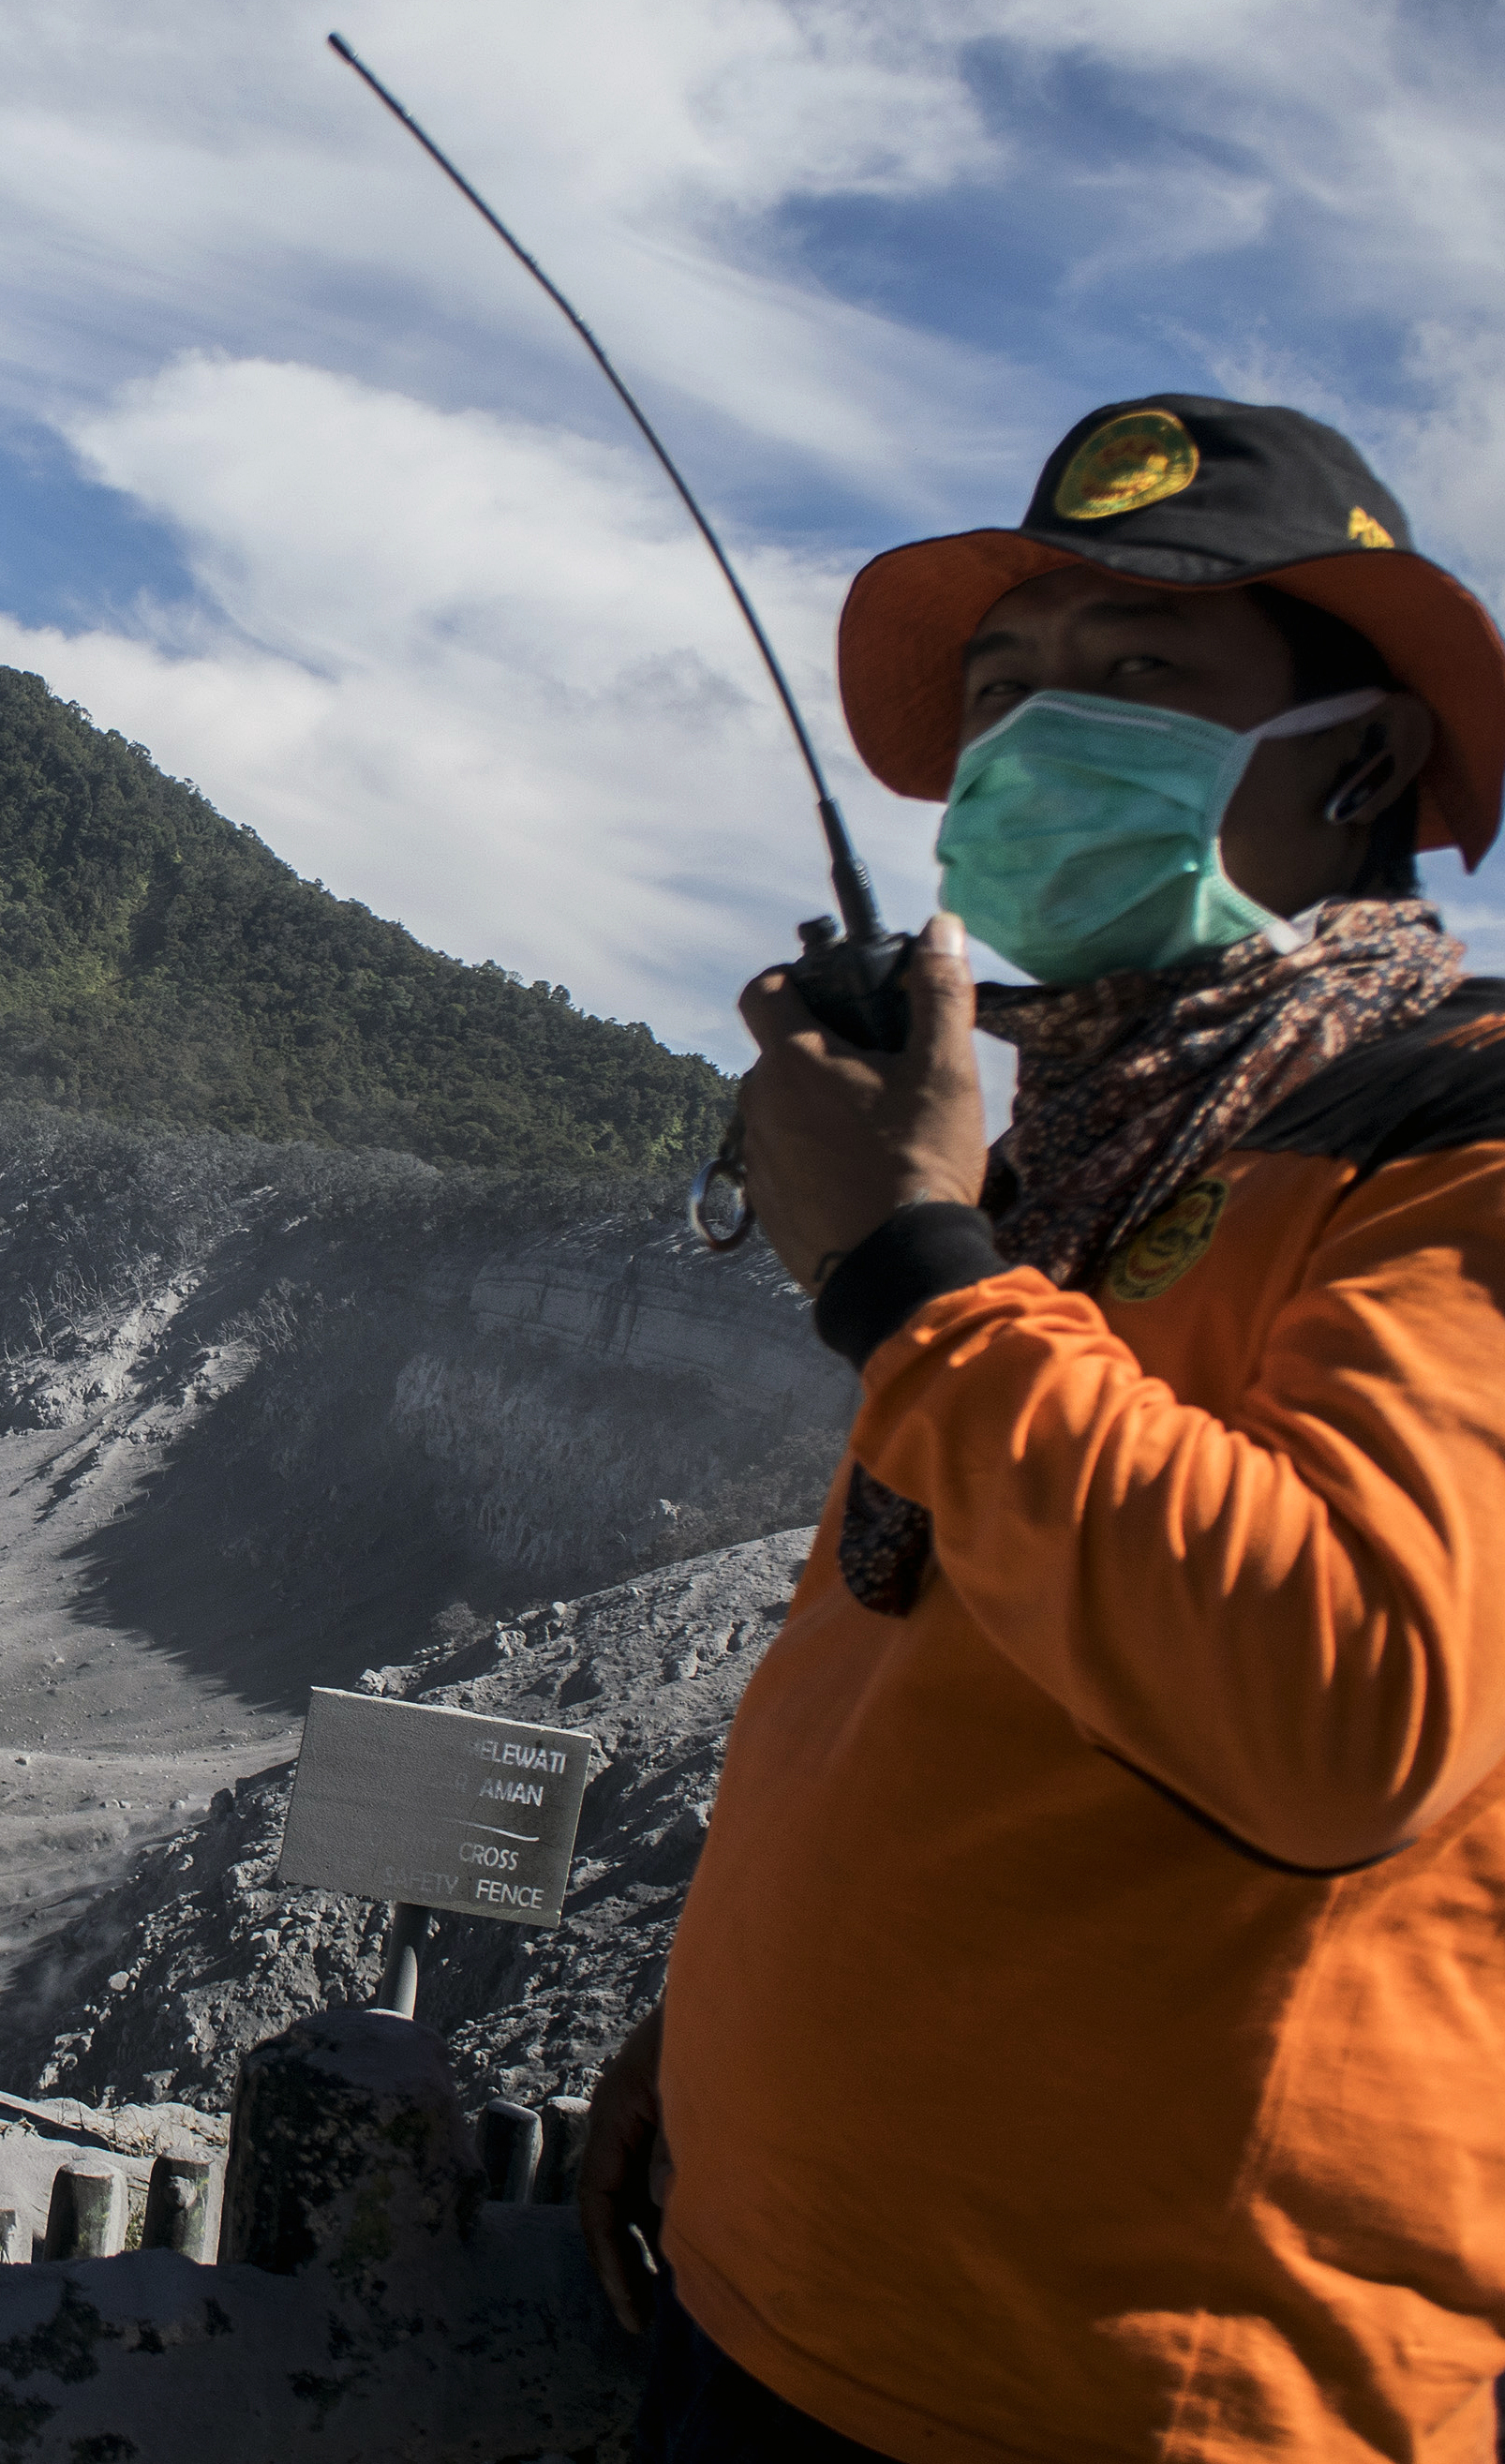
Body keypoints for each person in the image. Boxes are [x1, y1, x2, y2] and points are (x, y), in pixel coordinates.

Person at [575, 396, 1505, 2463]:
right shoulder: (1070, 1157)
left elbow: (1343, 1708)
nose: (1022, 742)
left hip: (1129, 2396)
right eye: (1000, 691)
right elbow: (951, 1664)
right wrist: (723, 2045)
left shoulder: (1451, 1141)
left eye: (1139, 673)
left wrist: (909, 1267)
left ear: (1360, 754)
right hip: (784, 2306)